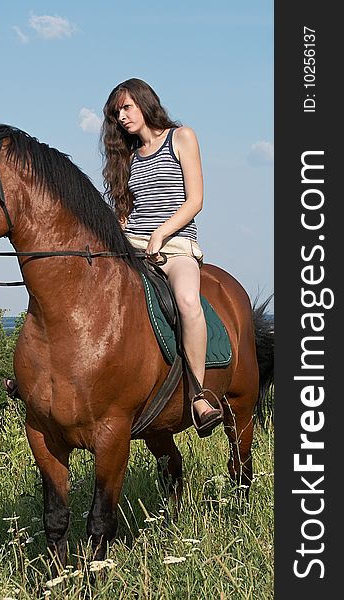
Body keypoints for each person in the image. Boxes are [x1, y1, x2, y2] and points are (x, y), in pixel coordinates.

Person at [100, 77, 223, 437]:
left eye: (126, 107)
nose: (121, 117)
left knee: (187, 302)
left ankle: (199, 395)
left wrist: (160, 235)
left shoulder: (180, 137)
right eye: (115, 113)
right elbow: (125, 212)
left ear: (143, 102)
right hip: (133, 244)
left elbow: (195, 200)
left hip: (176, 244)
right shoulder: (127, 157)